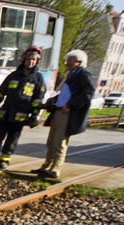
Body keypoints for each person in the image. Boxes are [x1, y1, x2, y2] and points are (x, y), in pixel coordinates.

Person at [33, 50, 95, 180]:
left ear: (80, 62)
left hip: (67, 113)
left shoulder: (83, 75)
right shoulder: (70, 75)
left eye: (72, 59)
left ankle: (55, 169)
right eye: (68, 58)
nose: (68, 61)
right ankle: (47, 166)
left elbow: (87, 94)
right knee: (51, 141)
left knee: (59, 142)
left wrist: (71, 105)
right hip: (59, 110)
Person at [0, 46, 46, 169]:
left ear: (37, 61)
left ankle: (4, 160)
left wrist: (34, 115)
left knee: (12, 138)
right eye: (29, 59)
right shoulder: (13, 75)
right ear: (24, 59)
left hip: (20, 115)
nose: (31, 61)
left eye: (33, 59)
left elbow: (38, 99)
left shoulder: (38, 78)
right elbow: (2, 91)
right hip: (5, 112)